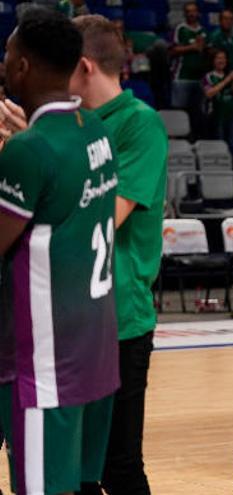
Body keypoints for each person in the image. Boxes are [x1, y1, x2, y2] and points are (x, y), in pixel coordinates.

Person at [0, 8, 120, 494]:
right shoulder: (93, 129)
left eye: (8, 56)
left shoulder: (30, 151)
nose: (4, 65)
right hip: (94, 352)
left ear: (24, 66)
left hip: (44, 366)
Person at [63, 15, 168, 495]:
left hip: (118, 320)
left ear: (83, 66)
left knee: (119, 465)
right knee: (75, 469)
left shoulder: (138, 125)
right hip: (68, 319)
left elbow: (101, 220)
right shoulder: (72, 123)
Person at [169, 2, 206, 112]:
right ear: (184, 14)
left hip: (199, 79)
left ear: (198, 13)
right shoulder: (180, 29)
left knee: (197, 113)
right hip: (182, 77)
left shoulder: (203, 30)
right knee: (179, 112)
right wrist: (192, 47)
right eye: (188, 11)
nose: (191, 14)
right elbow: (172, 51)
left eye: (193, 11)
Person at [202, 50, 233, 142]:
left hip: (231, 115)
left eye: (223, 58)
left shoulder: (230, 75)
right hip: (217, 115)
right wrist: (227, 80)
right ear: (213, 60)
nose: (221, 61)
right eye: (218, 58)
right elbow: (209, 94)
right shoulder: (209, 76)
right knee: (219, 141)